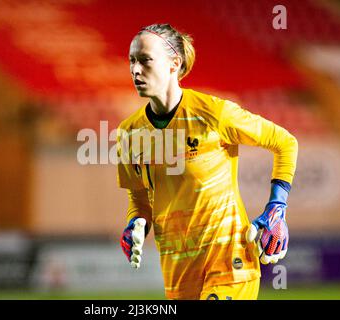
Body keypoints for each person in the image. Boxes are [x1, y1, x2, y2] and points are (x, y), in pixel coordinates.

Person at [117, 23, 298, 300]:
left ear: (173, 64)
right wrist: (135, 223)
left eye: (144, 59)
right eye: (132, 60)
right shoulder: (129, 134)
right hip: (178, 267)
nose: (135, 69)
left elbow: (285, 142)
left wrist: (277, 207)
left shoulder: (214, 113)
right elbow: (140, 197)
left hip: (230, 259)